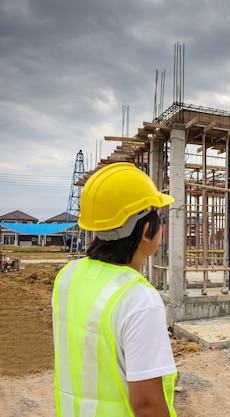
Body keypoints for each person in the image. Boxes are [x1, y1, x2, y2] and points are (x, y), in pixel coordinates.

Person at [52, 162, 177, 416]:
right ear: (145, 230)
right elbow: (148, 406)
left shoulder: (68, 276)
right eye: (159, 218)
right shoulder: (139, 300)